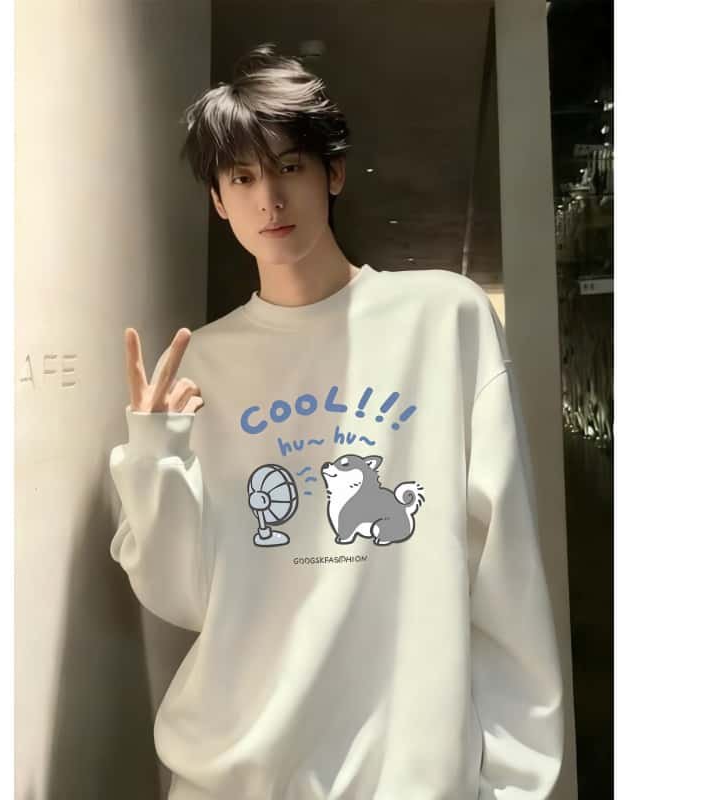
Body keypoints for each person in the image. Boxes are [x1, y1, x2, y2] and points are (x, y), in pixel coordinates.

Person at [109, 43, 564, 800]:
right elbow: (185, 597)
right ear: (217, 200)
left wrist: (518, 781)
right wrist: (154, 456)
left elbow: (505, 566)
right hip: (232, 774)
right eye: (241, 178)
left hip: (410, 777)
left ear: (334, 173)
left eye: (289, 167)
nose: (269, 200)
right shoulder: (204, 364)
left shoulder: (442, 317)